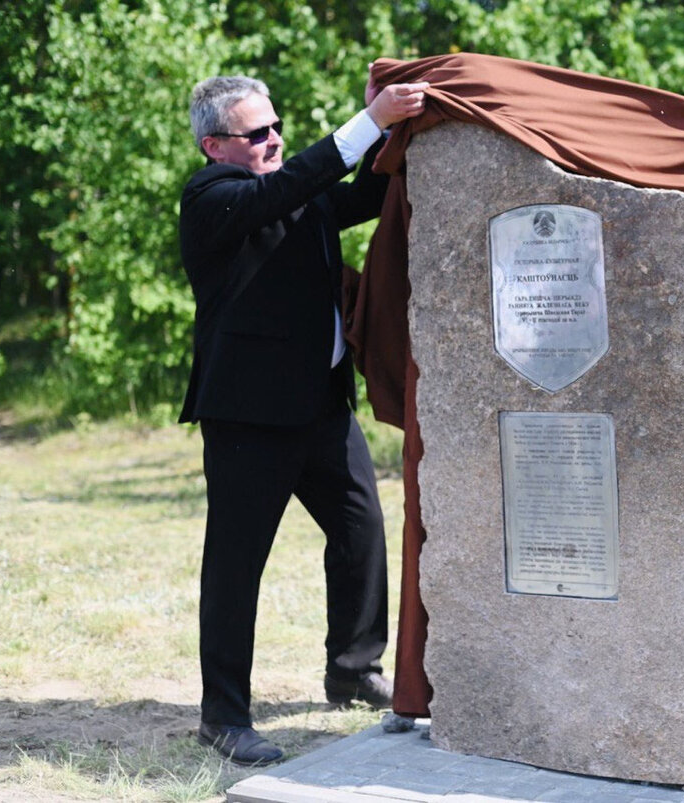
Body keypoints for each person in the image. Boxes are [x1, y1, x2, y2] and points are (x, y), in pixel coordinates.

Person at [179, 68, 428, 766]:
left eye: (276, 126)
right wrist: (368, 120)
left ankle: (352, 668)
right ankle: (223, 715)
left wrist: (402, 136)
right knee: (236, 565)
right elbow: (285, 189)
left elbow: (366, 194)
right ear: (213, 146)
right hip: (248, 416)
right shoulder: (211, 197)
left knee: (360, 530)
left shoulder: (289, 185)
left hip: (320, 401)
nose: (273, 139)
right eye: (256, 133)